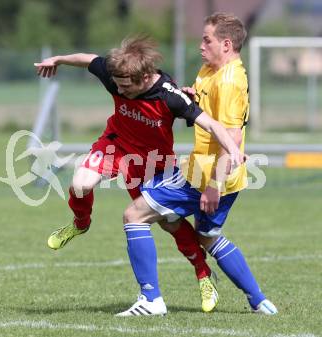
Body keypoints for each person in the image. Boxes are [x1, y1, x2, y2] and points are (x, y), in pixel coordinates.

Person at [34, 36, 243, 313]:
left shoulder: (170, 96)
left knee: (170, 224)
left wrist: (233, 150)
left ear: (144, 77)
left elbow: (212, 125)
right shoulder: (116, 73)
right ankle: (80, 223)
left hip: (153, 163)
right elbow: (88, 59)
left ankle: (204, 274)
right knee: (80, 183)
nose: (119, 90)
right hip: (115, 143)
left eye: (125, 86)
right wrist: (58, 59)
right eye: (116, 84)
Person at [116, 13, 278, 316]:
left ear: (226, 44)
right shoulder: (211, 70)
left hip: (209, 175)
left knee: (134, 215)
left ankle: (151, 300)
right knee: (207, 236)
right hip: (216, 174)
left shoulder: (230, 82)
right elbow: (206, 111)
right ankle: (259, 300)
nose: (200, 45)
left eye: (207, 40)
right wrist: (192, 95)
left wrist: (213, 186)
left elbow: (232, 141)